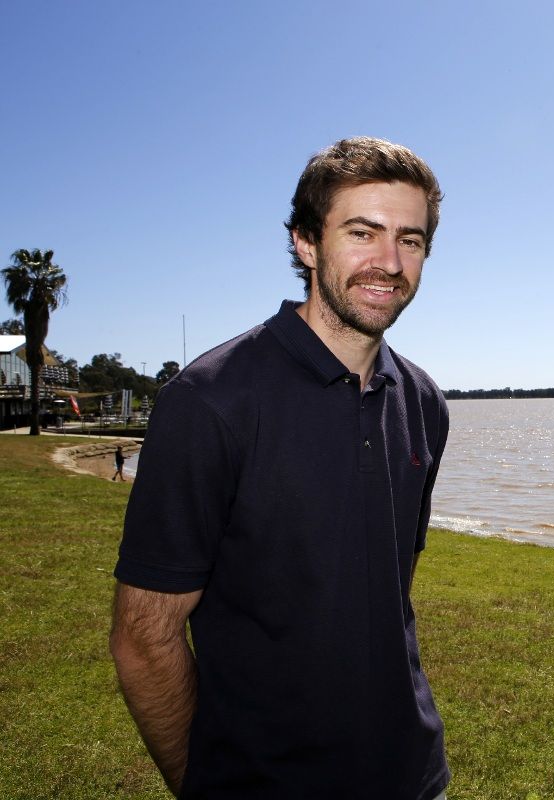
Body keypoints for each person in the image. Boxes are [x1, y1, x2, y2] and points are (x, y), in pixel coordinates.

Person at [109, 137, 451, 799]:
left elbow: (387, 591)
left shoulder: (425, 402)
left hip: (413, 778)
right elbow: (144, 637)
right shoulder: (209, 400)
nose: (388, 262)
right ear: (304, 242)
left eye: (411, 240)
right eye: (362, 232)